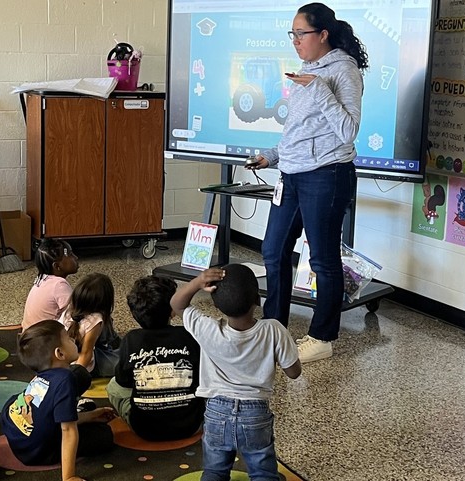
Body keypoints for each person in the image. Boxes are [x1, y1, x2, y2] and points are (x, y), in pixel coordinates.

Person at [247, 2, 369, 363]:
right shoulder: (308, 70)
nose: (295, 41)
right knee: (273, 250)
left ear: (323, 35)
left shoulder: (344, 71)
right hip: (293, 175)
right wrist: (272, 154)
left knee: (323, 260)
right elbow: (298, 131)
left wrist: (319, 90)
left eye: (301, 34)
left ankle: (322, 336)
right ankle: (274, 328)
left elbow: (348, 131)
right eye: (293, 34)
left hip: (327, 175)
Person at [171, 265, 301, 481]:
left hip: (216, 412)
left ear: (216, 303)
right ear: (257, 300)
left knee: (215, 471)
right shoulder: (274, 329)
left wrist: (197, 282)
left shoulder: (207, 328)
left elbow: (176, 304)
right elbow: (294, 372)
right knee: (263, 472)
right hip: (255, 414)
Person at [1, 320, 115, 481]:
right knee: (104, 435)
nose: (74, 340)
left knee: (79, 374)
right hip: (35, 452)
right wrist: (69, 477)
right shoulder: (65, 379)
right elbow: (68, 430)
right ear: (60, 354)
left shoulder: (44, 374)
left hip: (18, 436)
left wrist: (91, 416)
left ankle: (79, 413)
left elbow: (47, 413)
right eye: (68, 338)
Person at [107, 275, 203, 441]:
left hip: (145, 428)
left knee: (112, 387)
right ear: (173, 310)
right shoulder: (189, 335)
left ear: (134, 313)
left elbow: (123, 381)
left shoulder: (131, 339)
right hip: (192, 425)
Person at [59, 273, 121, 377]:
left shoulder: (69, 310)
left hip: (67, 359)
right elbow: (86, 354)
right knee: (124, 364)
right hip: (84, 366)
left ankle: (115, 346)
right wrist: (75, 377)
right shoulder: (95, 320)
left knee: (108, 321)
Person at [22, 238, 78, 332]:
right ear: (57, 266)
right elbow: (75, 312)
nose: (76, 258)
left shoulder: (42, 279)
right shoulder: (59, 285)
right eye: (70, 255)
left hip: (28, 336)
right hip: (44, 340)